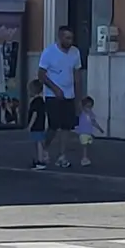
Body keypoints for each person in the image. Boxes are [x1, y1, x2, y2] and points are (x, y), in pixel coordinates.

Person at [37, 25, 83, 168]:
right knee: (53, 125)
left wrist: (78, 99)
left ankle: (62, 155)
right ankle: (43, 148)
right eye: (67, 38)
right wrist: (55, 89)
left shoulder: (75, 53)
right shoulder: (49, 52)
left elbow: (77, 76)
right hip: (52, 96)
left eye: (71, 38)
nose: (70, 41)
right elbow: (41, 75)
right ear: (60, 37)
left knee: (67, 127)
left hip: (69, 95)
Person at [76, 96, 104, 166]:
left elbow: (94, 122)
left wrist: (99, 128)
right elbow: (79, 105)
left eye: (90, 107)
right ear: (84, 106)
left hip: (88, 132)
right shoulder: (82, 112)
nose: (88, 108)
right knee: (84, 145)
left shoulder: (91, 114)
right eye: (87, 106)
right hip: (83, 132)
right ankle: (84, 158)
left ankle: (85, 157)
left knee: (88, 145)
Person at [26, 80, 48, 170]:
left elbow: (34, 114)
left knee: (38, 143)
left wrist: (30, 125)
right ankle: (42, 158)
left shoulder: (35, 102)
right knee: (40, 142)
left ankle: (40, 161)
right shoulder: (41, 101)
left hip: (36, 126)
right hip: (41, 125)